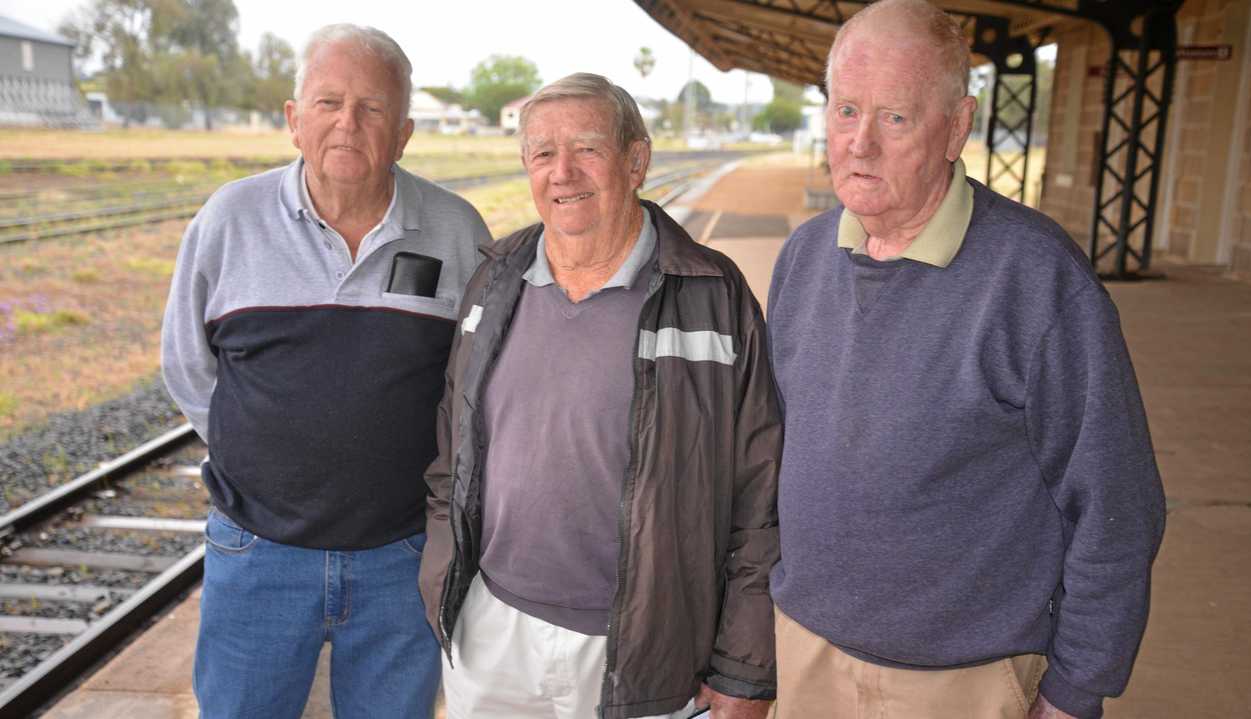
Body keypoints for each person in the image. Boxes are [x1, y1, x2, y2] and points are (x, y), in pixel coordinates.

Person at [766, 2, 1166, 718]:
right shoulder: (803, 257)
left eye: (894, 118)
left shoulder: (1037, 279)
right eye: (846, 110)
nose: (859, 144)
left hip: (964, 679)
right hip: (804, 652)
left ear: (957, 127)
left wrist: (1077, 686)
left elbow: (1117, 503)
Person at [418, 73, 780, 719]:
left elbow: (760, 496)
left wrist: (743, 668)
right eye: (542, 153)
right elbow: (453, 455)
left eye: (586, 148)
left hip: (649, 648)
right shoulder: (494, 282)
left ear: (635, 160)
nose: (562, 173)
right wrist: (442, 576)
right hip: (495, 635)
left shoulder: (710, 294)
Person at [160, 23, 490, 718]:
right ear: (293, 120)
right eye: (329, 102)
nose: (348, 123)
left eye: (372, 108)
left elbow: (476, 390)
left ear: (402, 133)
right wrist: (264, 459)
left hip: (401, 559)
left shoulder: (457, 232)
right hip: (257, 554)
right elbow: (188, 367)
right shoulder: (229, 220)